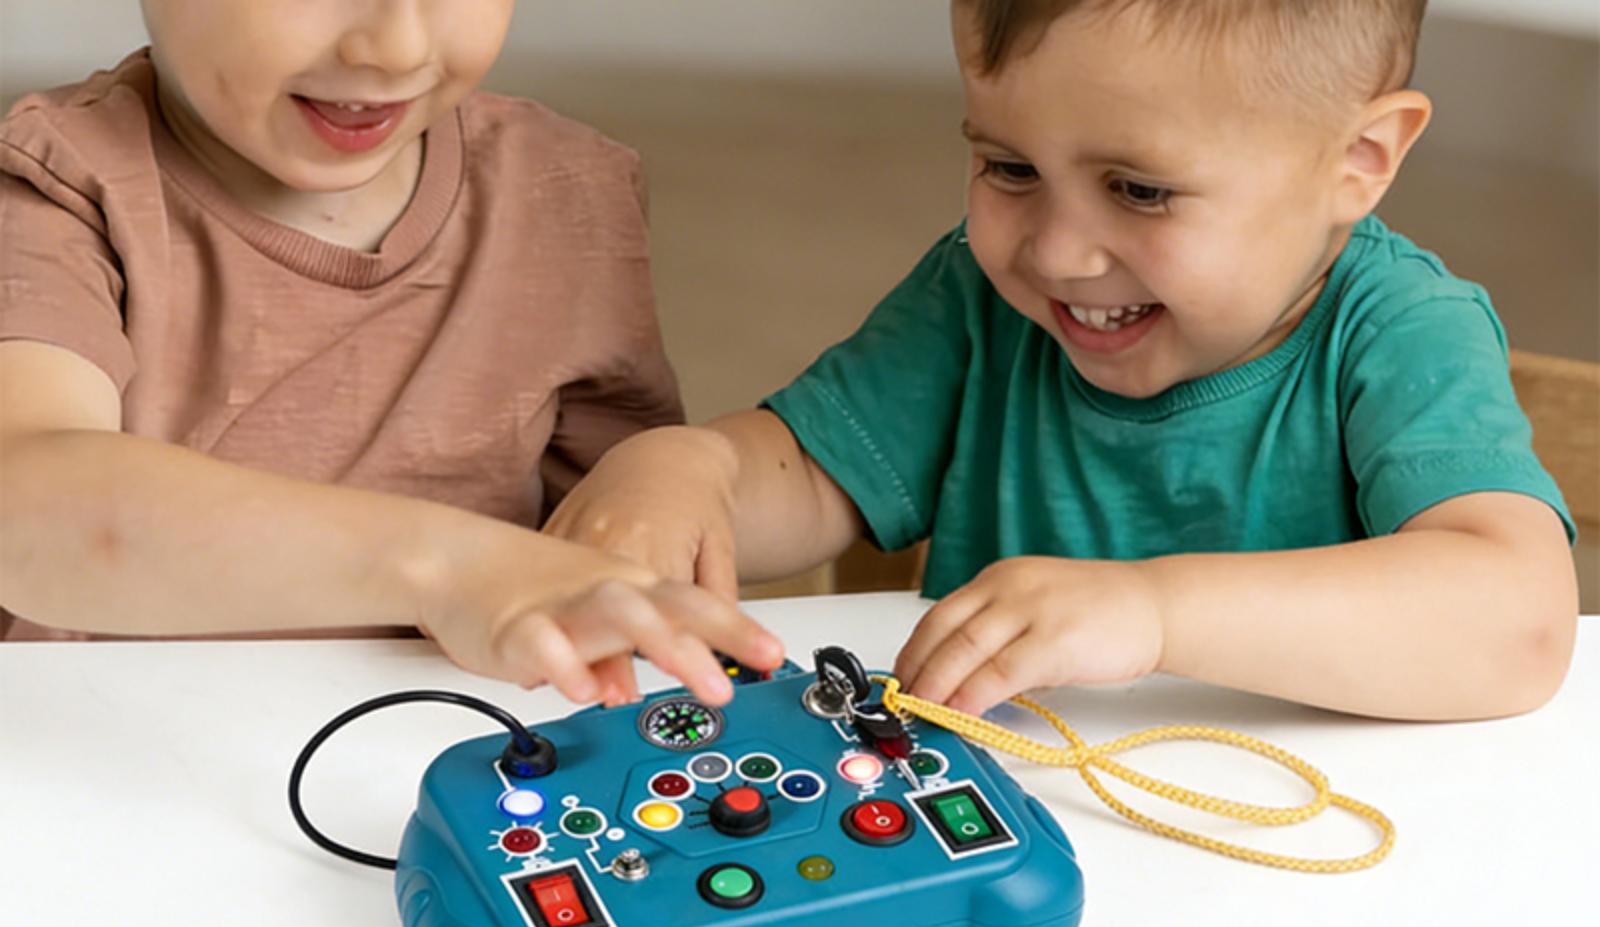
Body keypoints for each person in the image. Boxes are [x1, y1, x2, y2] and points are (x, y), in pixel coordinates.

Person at [552, 0, 1577, 720]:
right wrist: (694, 469)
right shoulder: (977, 298)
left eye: (1139, 190)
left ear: (1359, 161)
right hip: (1016, 825)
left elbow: (1517, 624)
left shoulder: (1401, 330)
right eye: (1008, 167)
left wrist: (1153, 613)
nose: (1055, 253)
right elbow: (815, 474)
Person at [0, 0, 782, 705]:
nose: (397, 46)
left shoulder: (569, 188)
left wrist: (669, 476)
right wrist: (448, 571)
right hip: (114, 762)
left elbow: (619, 544)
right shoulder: (54, 183)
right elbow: (26, 502)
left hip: (450, 756)